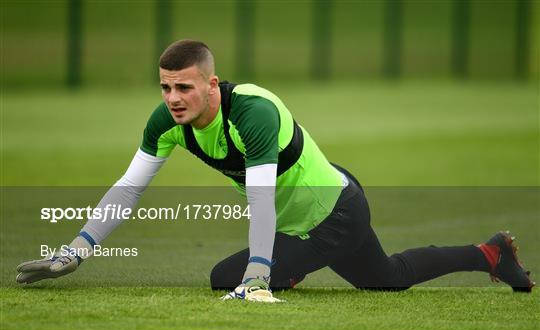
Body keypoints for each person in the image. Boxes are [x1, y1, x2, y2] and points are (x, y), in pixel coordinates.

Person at [16, 40, 535, 301]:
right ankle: (488, 253)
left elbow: (260, 199)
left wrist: (260, 275)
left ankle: (274, 267)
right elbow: (128, 189)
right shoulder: (168, 122)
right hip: (322, 203)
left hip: (333, 213)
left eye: (184, 87)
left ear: (212, 84)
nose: (173, 98)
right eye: (165, 87)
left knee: (229, 277)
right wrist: (74, 252)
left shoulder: (253, 113)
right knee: (388, 279)